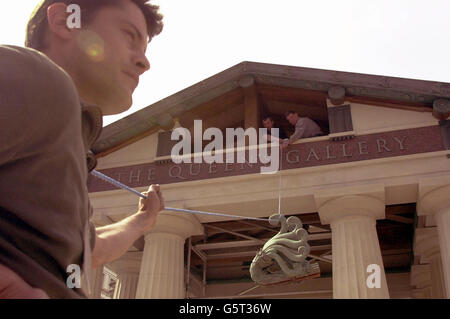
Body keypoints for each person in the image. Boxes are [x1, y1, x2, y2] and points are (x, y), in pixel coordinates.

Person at [0, 0, 164, 298]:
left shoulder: (64, 132)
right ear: (65, 21)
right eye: (129, 35)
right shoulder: (38, 77)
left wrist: (143, 220)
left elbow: (92, 249)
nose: (144, 62)